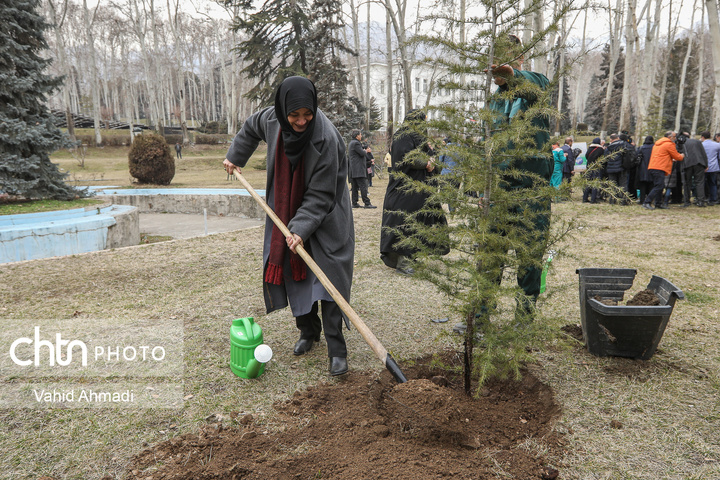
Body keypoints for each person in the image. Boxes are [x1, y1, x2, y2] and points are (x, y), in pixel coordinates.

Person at [222, 76, 354, 377]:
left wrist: (300, 229)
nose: (301, 121)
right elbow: (249, 128)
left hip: (328, 215)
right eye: (294, 115)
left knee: (330, 280)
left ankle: (337, 350)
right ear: (283, 111)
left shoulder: (327, 139)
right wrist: (235, 156)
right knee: (297, 272)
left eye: (307, 114)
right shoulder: (271, 118)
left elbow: (321, 196)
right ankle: (308, 332)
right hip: (286, 209)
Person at [480, 33, 552, 321]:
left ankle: (524, 319)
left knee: (530, 255)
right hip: (499, 189)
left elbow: (533, 87)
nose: (497, 68)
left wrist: (514, 76)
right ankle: (482, 315)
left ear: (519, 60)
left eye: (504, 62)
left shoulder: (536, 84)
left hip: (531, 189)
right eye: (492, 63)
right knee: (489, 254)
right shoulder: (493, 103)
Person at [380, 109, 447, 276]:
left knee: (421, 223)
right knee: (405, 224)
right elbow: (406, 158)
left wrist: (432, 160)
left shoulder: (419, 137)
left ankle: (413, 256)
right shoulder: (403, 136)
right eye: (421, 120)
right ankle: (403, 261)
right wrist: (425, 163)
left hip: (420, 190)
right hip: (404, 191)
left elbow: (431, 156)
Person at [643, 131, 684, 210]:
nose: (675, 139)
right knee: (659, 186)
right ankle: (647, 202)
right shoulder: (669, 144)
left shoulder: (658, 144)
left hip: (653, 166)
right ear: (670, 137)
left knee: (659, 186)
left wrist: (670, 159)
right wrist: (682, 156)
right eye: (674, 137)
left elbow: (662, 155)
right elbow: (677, 156)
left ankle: (658, 203)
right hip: (660, 167)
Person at [348, 130, 376, 208]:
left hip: (353, 170)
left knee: (354, 187)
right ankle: (367, 203)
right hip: (358, 169)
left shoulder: (351, 143)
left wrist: (363, 148)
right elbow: (362, 153)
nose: (361, 136)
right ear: (357, 136)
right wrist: (366, 150)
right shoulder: (356, 143)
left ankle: (354, 203)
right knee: (363, 186)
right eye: (360, 135)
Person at [679, 131, 707, 207]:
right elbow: (703, 153)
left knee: (687, 183)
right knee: (699, 183)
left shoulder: (682, 143)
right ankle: (700, 201)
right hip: (699, 163)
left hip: (687, 164)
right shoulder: (697, 142)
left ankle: (687, 201)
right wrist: (706, 165)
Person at [582, 137, 605, 204]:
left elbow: (586, 156)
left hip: (589, 167)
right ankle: (593, 199)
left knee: (588, 183)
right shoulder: (600, 149)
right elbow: (602, 159)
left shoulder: (590, 148)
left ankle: (585, 198)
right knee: (595, 183)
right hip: (596, 167)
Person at [701, 131, 719, 205]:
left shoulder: (701, 145)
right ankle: (713, 199)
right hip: (714, 167)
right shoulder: (717, 145)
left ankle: (703, 197)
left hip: (703, 167)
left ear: (703, 137)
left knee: (702, 183)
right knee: (713, 184)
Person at [636, 136, 655, 204]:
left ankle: (642, 200)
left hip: (642, 169)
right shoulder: (655, 147)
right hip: (652, 168)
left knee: (642, 186)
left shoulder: (641, 148)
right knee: (651, 185)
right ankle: (650, 200)